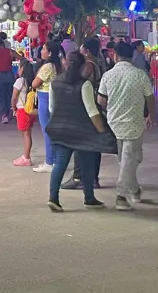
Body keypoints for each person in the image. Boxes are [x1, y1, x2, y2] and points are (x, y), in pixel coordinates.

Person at [46, 51, 114, 211]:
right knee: (87, 164)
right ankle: (89, 198)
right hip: (81, 131)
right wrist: (102, 132)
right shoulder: (84, 84)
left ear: (65, 62)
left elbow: (51, 108)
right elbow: (92, 112)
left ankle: (53, 198)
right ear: (82, 66)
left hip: (60, 128)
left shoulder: (54, 83)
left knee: (60, 163)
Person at [97, 41, 156, 210]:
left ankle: (134, 190)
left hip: (114, 122)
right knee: (130, 159)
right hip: (134, 123)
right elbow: (150, 98)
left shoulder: (108, 75)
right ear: (132, 56)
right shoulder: (140, 74)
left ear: (115, 55)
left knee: (125, 159)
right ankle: (121, 196)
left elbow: (101, 100)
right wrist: (151, 116)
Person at [31, 39, 65, 174]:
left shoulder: (47, 67)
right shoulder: (59, 66)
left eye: (44, 49)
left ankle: (50, 161)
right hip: (55, 97)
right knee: (53, 130)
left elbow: (35, 83)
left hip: (45, 97)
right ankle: (55, 159)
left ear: (50, 53)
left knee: (47, 130)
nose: (42, 51)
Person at [12, 58, 38, 166]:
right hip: (30, 110)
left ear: (22, 69)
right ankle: (26, 155)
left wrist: (13, 108)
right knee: (28, 134)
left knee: (26, 135)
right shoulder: (33, 81)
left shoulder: (20, 81)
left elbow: (14, 97)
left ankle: (26, 157)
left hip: (22, 110)